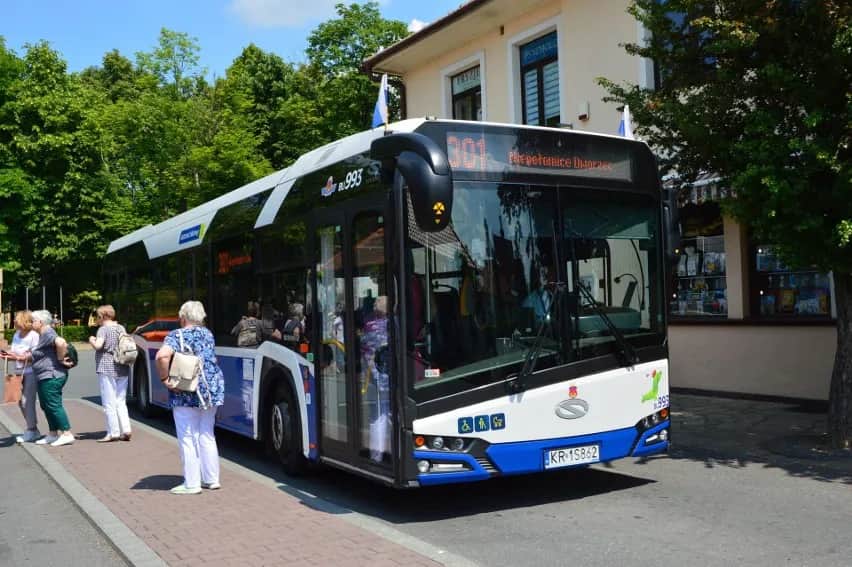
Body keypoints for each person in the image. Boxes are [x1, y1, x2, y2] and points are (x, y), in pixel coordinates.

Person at [155, 301, 225, 495]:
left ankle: (192, 483)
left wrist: (165, 378)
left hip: (187, 388)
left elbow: (161, 357)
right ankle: (211, 479)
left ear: (183, 317)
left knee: (187, 435)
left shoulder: (176, 335)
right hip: (211, 388)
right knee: (207, 433)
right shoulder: (208, 334)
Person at [19, 310, 75, 446]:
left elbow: (61, 343)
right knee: (46, 405)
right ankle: (53, 433)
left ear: (40, 322)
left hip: (52, 375)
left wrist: (61, 359)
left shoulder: (48, 333)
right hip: (45, 375)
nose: (31, 323)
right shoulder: (43, 334)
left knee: (53, 404)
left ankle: (67, 433)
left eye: (33, 321)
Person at [88, 305, 132, 442]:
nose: (97, 319)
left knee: (109, 401)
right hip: (122, 366)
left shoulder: (103, 329)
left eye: (98, 316)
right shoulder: (121, 328)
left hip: (107, 367)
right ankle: (126, 429)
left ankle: (113, 432)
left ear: (102, 316)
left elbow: (98, 346)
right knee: (121, 400)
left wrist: (92, 340)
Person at [9, 311, 40, 443]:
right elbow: (14, 351)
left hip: (31, 371)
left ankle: (32, 430)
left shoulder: (34, 335)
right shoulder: (17, 334)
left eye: (17, 322)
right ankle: (32, 428)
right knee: (20, 401)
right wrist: (8, 355)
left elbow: (36, 354)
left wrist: (21, 357)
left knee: (27, 401)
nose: (16, 324)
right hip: (18, 371)